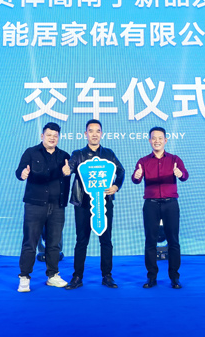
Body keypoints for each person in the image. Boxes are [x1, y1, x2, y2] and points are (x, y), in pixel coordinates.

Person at [62, 119, 125, 289]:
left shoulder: (109, 154)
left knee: (106, 240)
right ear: (85, 134)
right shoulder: (78, 154)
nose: (94, 134)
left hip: (104, 203)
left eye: (98, 131)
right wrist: (67, 171)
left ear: (102, 134)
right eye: (91, 131)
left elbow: (121, 171)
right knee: (81, 240)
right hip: (83, 203)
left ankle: (107, 276)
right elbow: (71, 167)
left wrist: (116, 186)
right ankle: (77, 277)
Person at [15, 122, 71, 292]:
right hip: (35, 205)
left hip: (57, 206)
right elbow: (19, 171)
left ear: (59, 137)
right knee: (30, 243)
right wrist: (22, 174)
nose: (52, 138)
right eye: (49, 135)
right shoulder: (31, 152)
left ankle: (52, 275)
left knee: (54, 244)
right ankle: (24, 277)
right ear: (42, 136)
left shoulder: (64, 156)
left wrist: (68, 172)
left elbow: (69, 177)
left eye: (55, 135)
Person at [132, 126, 189, 289]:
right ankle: (151, 277)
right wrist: (136, 176)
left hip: (171, 204)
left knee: (173, 241)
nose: (157, 141)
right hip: (151, 204)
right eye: (153, 138)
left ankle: (174, 277)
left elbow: (185, 176)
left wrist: (180, 174)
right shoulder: (143, 161)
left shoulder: (174, 159)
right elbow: (135, 179)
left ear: (165, 140)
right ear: (149, 140)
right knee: (150, 241)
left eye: (160, 138)